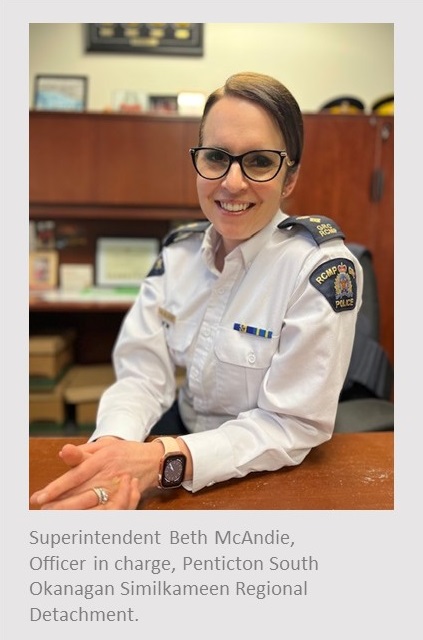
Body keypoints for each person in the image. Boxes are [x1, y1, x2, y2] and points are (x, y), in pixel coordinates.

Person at [30, 71, 362, 510]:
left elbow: (291, 425)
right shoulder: (178, 255)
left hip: (269, 476)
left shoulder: (317, 268)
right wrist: (112, 451)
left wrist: (160, 460)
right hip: (175, 453)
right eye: (216, 157)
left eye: (259, 161)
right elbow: (142, 374)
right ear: (198, 161)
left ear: (290, 178)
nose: (232, 182)